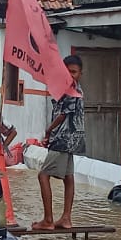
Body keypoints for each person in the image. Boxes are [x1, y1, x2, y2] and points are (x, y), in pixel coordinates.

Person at [33, 56, 85, 230]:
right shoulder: (73, 88)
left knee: (43, 175)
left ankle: (48, 220)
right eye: (67, 71)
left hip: (63, 138)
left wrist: (48, 130)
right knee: (69, 178)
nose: (70, 75)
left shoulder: (71, 89)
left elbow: (62, 114)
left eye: (74, 72)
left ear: (80, 73)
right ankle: (66, 218)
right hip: (72, 139)